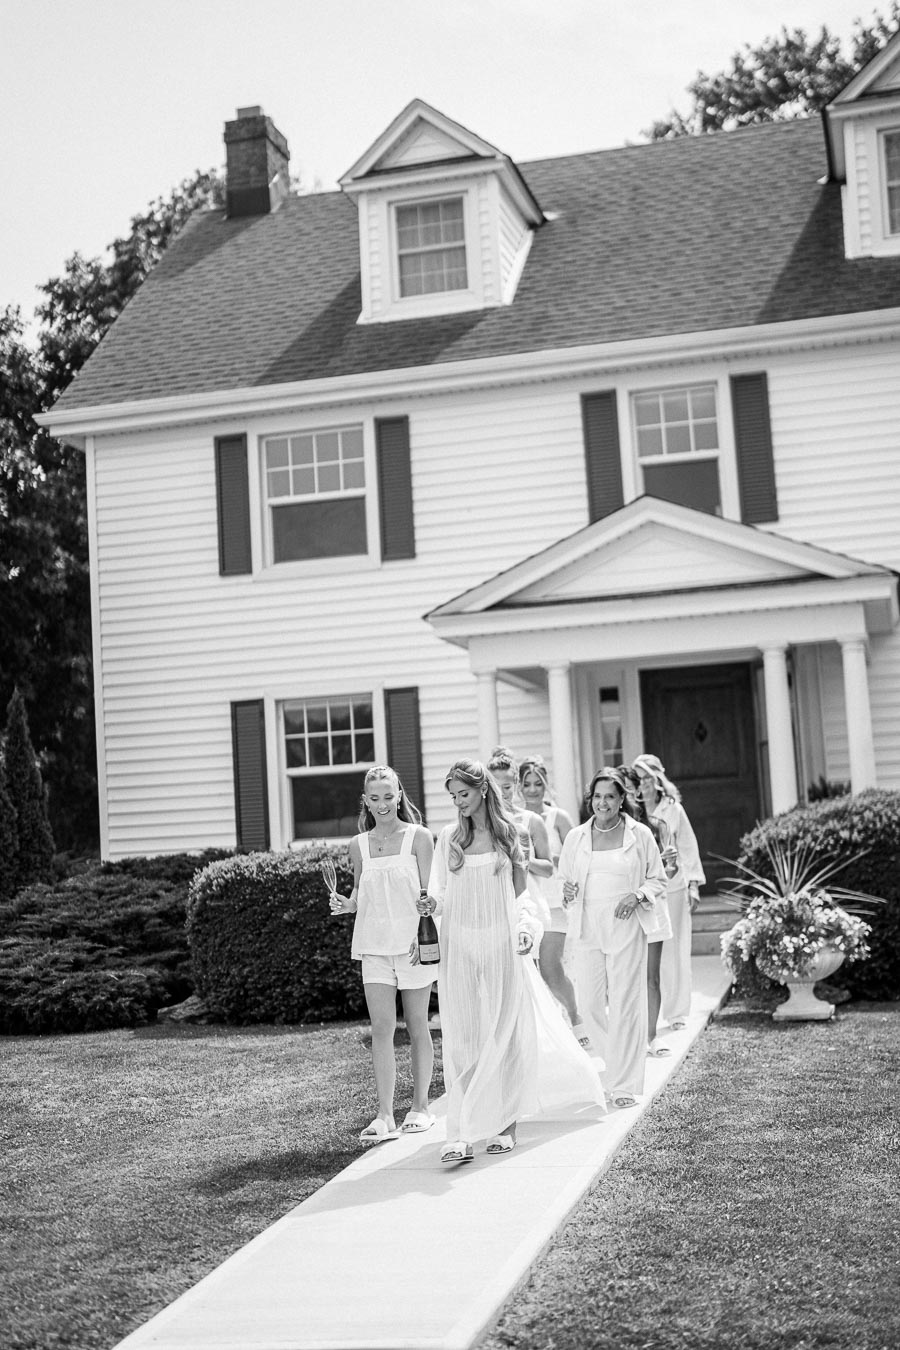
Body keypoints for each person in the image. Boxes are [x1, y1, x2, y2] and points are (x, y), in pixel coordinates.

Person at [418, 758, 604, 1164]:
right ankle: (462, 1131)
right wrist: (432, 902)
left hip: (504, 945)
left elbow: (523, 895)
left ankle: (505, 1125)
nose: (458, 803)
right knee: (464, 1038)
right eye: (452, 797)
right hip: (460, 948)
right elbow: (442, 893)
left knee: (507, 1033)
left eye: (463, 794)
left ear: (482, 789)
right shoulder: (449, 838)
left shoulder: (510, 836)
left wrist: (525, 928)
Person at [328, 765, 436, 1143]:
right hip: (373, 946)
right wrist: (347, 905)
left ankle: (420, 1108)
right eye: (374, 798)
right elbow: (360, 895)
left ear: (399, 795)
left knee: (417, 1025)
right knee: (381, 1029)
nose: (383, 804)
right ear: (366, 801)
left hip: (411, 949)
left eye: (389, 797)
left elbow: (429, 896)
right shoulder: (358, 845)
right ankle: (385, 1115)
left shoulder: (420, 838)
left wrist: (424, 923)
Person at [558, 767, 668, 1108]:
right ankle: (613, 1064)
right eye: (597, 796)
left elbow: (658, 879)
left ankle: (622, 1084)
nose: (602, 803)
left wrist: (636, 896)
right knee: (589, 1004)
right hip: (588, 925)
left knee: (626, 1003)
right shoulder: (576, 836)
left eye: (609, 796)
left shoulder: (640, 835)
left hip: (625, 924)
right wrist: (568, 890)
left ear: (622, 800)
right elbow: (565, 884)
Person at [517, 753, 589, 1048]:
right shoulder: (515, 819)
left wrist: (554, 859)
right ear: (520, 787)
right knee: (531, 973)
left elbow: (578, 857)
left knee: (550, 968)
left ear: (546, 785)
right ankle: (549, 1032)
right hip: (528, 901)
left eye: (538, 783)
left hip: (556, 902)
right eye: (527, 784)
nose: (533, 789)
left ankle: (576, 1018)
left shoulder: (558, 817)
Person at [632, 753, 706, 1032]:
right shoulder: (631, 811)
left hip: (673, 888)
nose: (644, 784)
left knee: (675, 950)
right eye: (639, 779)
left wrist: (694, 884)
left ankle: (676, 1013)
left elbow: (687, 846)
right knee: (646, 954)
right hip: (643, 891)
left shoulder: (673, 810)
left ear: (658, 779)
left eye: (649, 778)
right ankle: (648, 1013)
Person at [620, 766, 676, 1058]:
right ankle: (629, 1038)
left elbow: (667, 872)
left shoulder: (656, 826)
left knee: (650, 977)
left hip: (653, 908)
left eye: (633, 787)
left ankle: (652, 1037)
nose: (630, 793)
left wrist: (672, 864)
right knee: (625, 978)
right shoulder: (609, 828)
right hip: (624, 913)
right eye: (625, 789)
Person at [486, 746, 554, 936]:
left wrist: (520, 858)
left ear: (516, 783)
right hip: (494, 909)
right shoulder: (481, 824)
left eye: (506, 787)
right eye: (495, 788)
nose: (501, 794)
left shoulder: (532, 821)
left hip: (527, 905)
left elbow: (548, 868)